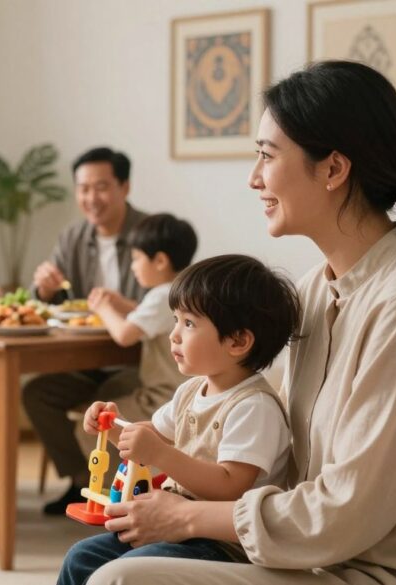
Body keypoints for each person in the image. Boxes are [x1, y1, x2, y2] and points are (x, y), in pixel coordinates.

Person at [86, 61, 396, 585]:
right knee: (92, 559)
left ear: (333, 169)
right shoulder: (318, 288)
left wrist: (187, 518)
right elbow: (261, 431)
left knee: (118, 579)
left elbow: (346, 511)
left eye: (267, 155)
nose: (254, 178)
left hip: (391, 572)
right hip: (311, 554)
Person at [59, 254, 299, 585]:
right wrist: (112, 426)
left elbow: (230, 485)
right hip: (173, 525)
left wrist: (161, 455)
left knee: (130, 568)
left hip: (223, 544)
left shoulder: (254, 407)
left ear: (238, 341)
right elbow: (151, 434)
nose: (174, 335)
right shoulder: (191, 391)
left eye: (189, 324)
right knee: (81, 557)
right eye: (175, 320)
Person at [24, 146, 150, 514]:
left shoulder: (149, 233)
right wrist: (44, 289)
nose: (91, 198)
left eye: (101, 187)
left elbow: (165, 302)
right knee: (37, 395)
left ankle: (110, 488)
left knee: (106, 399)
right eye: (83, 189)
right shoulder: (73, 237)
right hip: (84, 360)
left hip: (136, 362)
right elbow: (46, 301)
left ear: (124, 187)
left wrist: (117, 305)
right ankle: (82, 479)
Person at [70, 213, 196, 484]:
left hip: (162, 396)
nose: (133, 266)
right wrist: (122, 304)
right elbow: (149, 316)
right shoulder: (183, 289)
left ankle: (118, 488)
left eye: (137, 258)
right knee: (108, 394)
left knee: (89, 427)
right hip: (178, 393)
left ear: (160, 261)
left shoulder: (162, 294)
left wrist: (103, 307)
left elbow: (125, 335)